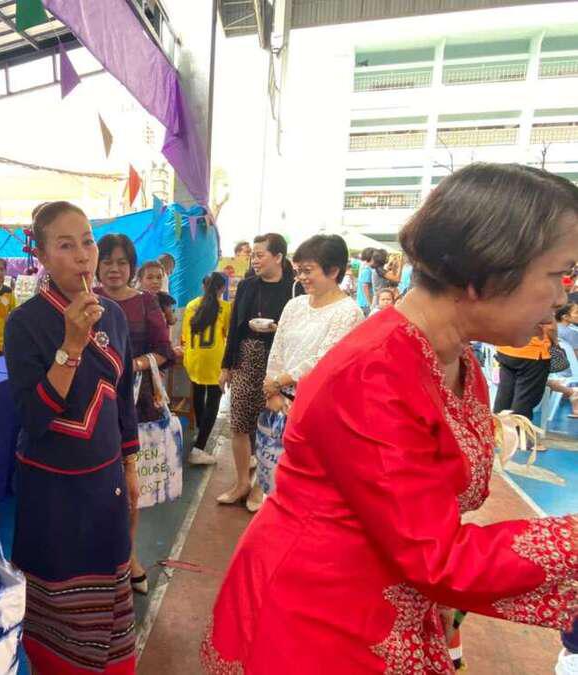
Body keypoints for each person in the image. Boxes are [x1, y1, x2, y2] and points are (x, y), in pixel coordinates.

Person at [203, 163, 578, 673]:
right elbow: (438, 559)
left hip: (387, 602)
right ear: (486, 271)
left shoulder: (458, 359)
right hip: (317, 619)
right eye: (558, 274)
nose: (562, 296)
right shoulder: (374, 372)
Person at [3, 202, 140, 674]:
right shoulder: (25, 323)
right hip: (53, 488)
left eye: (87, 241)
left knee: (111, 595)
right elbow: (34, 417)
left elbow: (123, 398)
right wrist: (72, 346)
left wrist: (130, 465)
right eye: (65, 245)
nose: (83, 255)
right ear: (41, 255)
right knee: (58, 609)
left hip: (106, 480)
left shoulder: (114, 316)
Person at [97, 233, 174, 595]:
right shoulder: (86, 300)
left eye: (121, 262)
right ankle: (98, 556)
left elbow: (164, 351)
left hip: (134, 406)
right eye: (107, 261)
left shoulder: (146, 302)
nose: (114, 269)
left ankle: (128, 556)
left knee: (130, 485)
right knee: (97, 484)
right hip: (91, 407)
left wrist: (132, 366)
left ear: (131, 267)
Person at [258, 235, 363, 498]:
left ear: (333, 271)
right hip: (280, 403)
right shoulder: (294, 305)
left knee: (306, 489)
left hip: (317, 412)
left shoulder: (349, 312)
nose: (301, 277)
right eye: (299, 271)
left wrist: (278, 383)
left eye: (308, 270)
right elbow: (278, 348)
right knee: (274, 480)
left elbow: (324, 360)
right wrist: (272, 391)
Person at [219, 233, 295, 513]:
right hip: (246, 358)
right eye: (253, 255)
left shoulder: (294, 289)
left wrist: (276, 329)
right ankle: (241, 482)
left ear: (278, 257)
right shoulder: (248, 285)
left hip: (278, 363)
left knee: (270, 427)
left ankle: (260, 487)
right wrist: (226, 366)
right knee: (239, 422)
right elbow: (234, 327)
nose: (254, 260)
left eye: (260, 255)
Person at [182, 272, 230, 466]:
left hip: (194, 357)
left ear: (203, 286)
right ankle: (199, 448)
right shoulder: (225, 307)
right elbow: (227, 333)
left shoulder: (191, 305)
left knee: (198, 392)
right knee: (213, 400)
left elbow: (185, 335)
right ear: (222, 288)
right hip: (214, 359)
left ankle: (201, 431)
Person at [356, 247, 374, 314]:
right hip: (366, 304)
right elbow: (365, 286)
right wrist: (370, 303)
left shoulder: (363, 267)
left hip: (362, 302)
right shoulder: (367, 270)